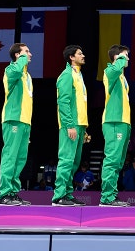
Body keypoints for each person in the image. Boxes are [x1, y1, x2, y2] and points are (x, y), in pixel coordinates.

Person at [0, 43, 33, 206]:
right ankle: (4, 194)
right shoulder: (11, 70)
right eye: (26, 52)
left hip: (25, 121)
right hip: (13, 119)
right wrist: (22, 59)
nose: (30, 54)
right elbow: (17, 69)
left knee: (20, 159)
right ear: (17, 55)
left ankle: (13, 193)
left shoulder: (27, 76)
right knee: (10, 157)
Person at [52, 45, 89, 207]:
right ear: (71, 57)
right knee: (66, 160)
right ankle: (59, 196)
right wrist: (69, 125)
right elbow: (63, 102)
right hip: (71, 125)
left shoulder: (78, 75)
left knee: (74, 162)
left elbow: (80, 105)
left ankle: (67, 193)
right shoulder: (66, 75)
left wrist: (84, 128)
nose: (83, 55)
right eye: (80, 53)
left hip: (79, 125)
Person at [99, 45, 132, 207]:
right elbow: (115, 68)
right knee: (112, 160)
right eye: (125, 56)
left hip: (123, 122)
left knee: (118, 162)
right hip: (114, 121)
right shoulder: (110, 72)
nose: (128, 59)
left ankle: (112, 194)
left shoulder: (121, 77)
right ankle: (107, 197)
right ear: (117, 58)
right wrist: (120, 59)